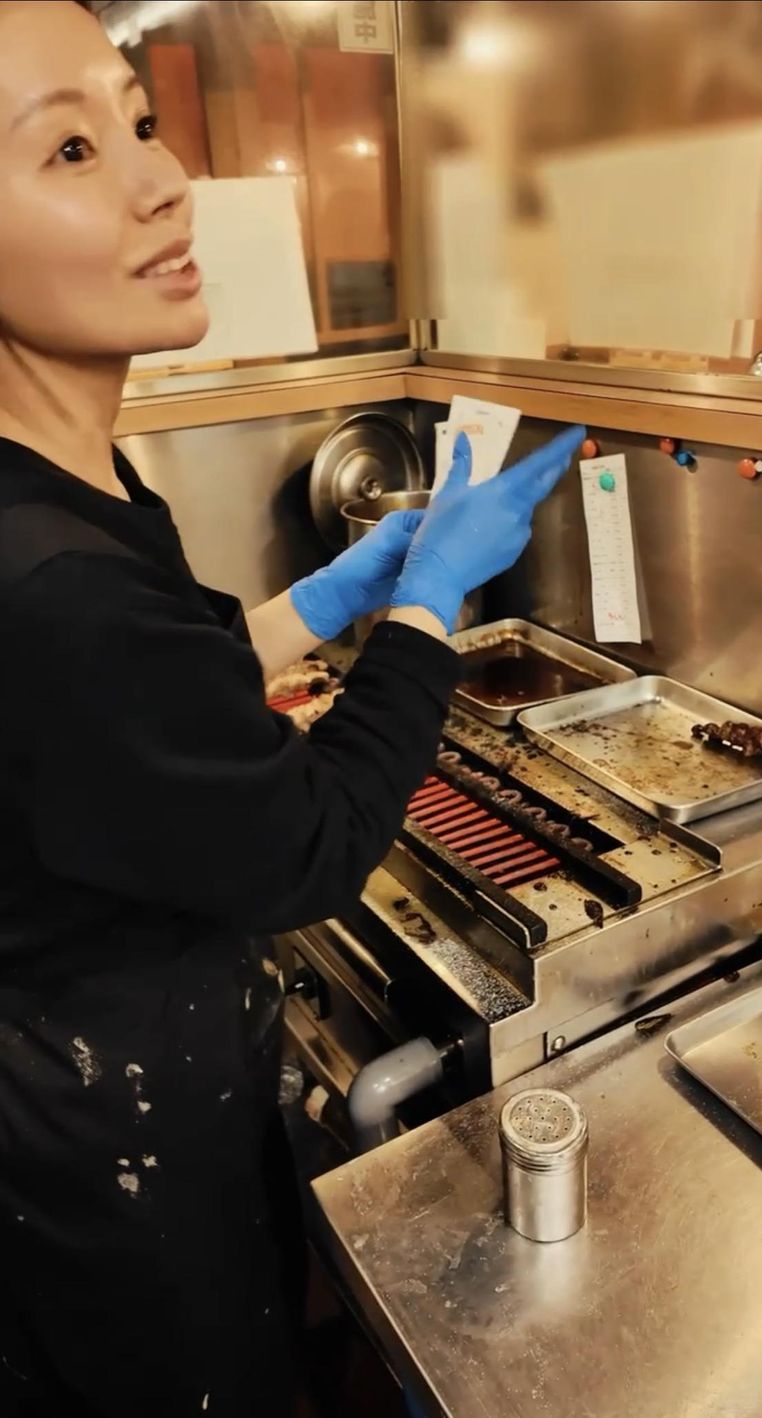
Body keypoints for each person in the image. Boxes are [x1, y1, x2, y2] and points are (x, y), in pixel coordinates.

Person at [0, 3, 585, 1414]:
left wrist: (328, 596)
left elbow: (162, 692)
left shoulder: (63, 484)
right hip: (105, 1151)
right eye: (69, 149)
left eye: (139, 123)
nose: (163, 181)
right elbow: (309, 844)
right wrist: (429, 604)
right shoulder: (47, 582)